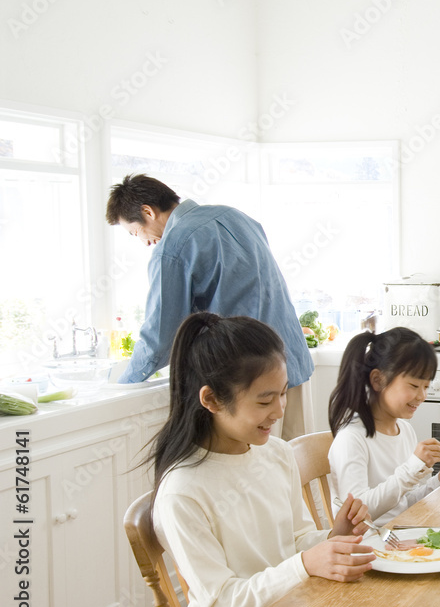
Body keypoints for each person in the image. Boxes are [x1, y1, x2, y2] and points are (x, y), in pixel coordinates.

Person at [149, 312, 375, 607]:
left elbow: (294, 538)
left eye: (283, 394)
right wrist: (303, 565)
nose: (280, 410)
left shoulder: (276, 454)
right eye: (265, 400)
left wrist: (332, 537)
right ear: (211, 400)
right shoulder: (182, 493)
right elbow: (222, 605)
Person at [105, 174, 314, 439]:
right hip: (292, 362)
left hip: (248, 380)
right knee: (297, 466)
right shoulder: (236, 216)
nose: (144, 241)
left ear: (148, 212)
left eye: (135, 232)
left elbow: (160, 336)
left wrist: (125, 383)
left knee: (252, 473)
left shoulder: (173, 247)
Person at [328, 327, 440, 524]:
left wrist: (439, 480)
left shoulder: (404, 430)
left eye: (426, 387)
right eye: (414, 386)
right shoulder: (351, 439)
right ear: (378, 380)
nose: (421, 396)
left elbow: (402, 504)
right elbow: (357, 515)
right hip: (367, 545)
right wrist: (412, 468)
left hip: (400, 534)